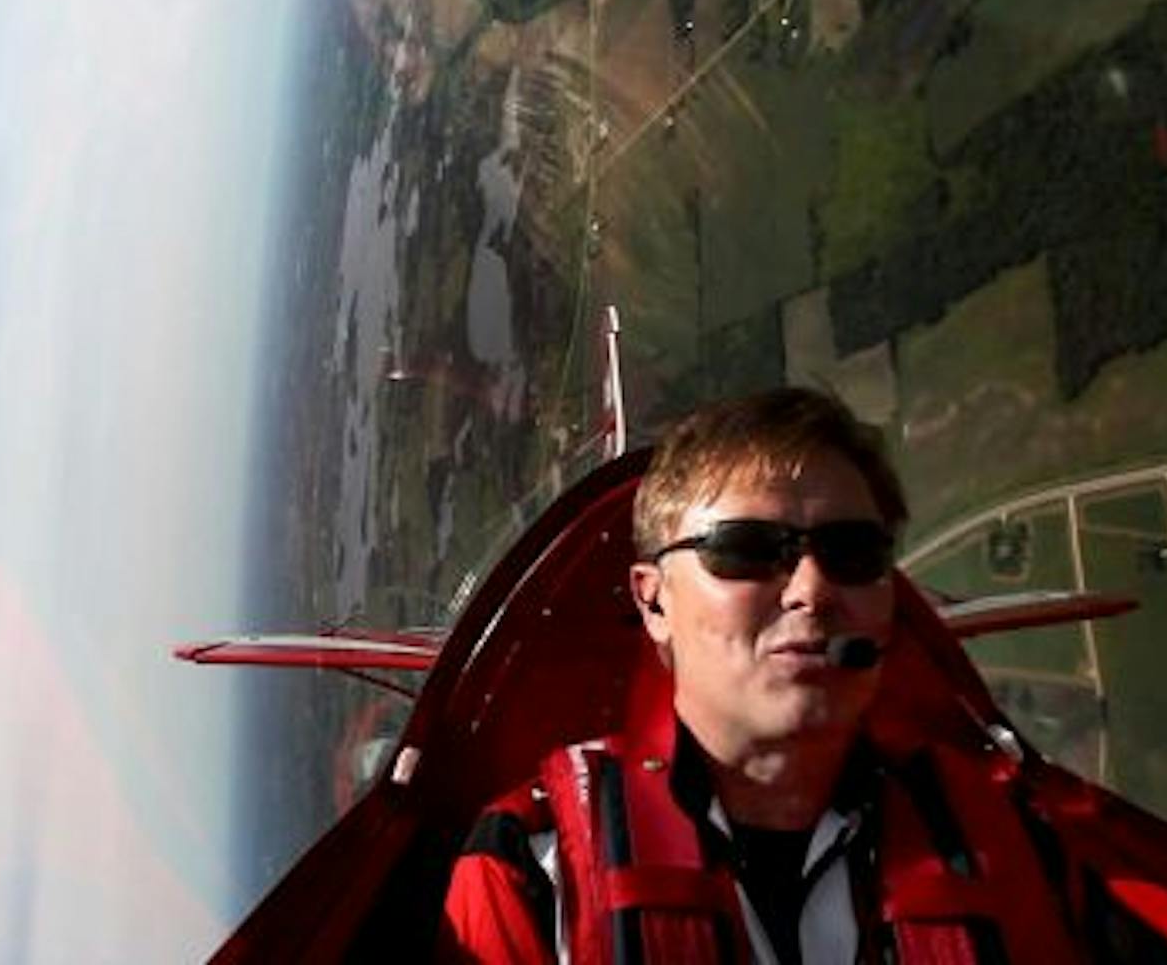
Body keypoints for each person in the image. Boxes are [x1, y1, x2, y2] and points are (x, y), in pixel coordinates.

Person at [438, 388, 1079, 964]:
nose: (812, 591)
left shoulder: (1020, 840)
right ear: (653, 601)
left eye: (852, 553)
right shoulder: (537, 867)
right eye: (745, 550)